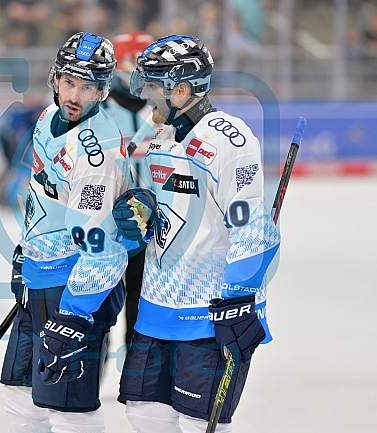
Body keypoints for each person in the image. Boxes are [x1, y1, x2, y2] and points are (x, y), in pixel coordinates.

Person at [112, 35, 281, 432]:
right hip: (155, 310)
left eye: (152, 85)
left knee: (196, 423)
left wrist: (239, 296)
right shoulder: (161, 138)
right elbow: (167, 217)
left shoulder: (228, 139)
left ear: (182, 90)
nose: (144, 94)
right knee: (143, 416)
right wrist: (140, 214)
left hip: (208, 314)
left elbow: (252, 227)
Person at [0, 32, 132, 433]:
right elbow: (42, 197)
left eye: (88, 86)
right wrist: (26, 253)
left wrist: (75, 314)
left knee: (70, 409)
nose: (75, 95)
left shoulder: (97, 152)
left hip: (76, 291)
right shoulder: (45, 121)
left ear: (103, 90)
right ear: (55, 79)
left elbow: (100, 246)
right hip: (40, 278)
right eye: (70, 82)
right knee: (20, 395)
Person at [103, 31, 156, 349]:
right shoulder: (96, 113)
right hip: (106, 229)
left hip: (152, 232)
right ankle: (88, 375)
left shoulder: (166, 113)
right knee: (97, 308)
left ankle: (139, 381)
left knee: (142, 308)